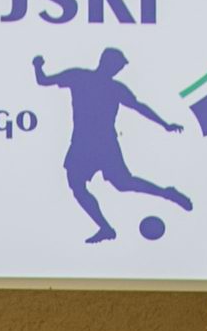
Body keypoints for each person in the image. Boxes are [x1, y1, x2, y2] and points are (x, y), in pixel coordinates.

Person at [32, 50, 194, 243]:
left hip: (105, 143)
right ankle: (105, 227)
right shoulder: (80, 77)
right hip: (82, 143)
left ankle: (167, 193)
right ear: (106, 62)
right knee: (77, 185)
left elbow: (139, 107)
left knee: (123, 183)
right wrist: (37, 66)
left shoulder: (115, 88)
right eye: (117, 65)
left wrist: (165, 124)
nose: (118, 70)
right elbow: (43, 81)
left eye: (120, 67)